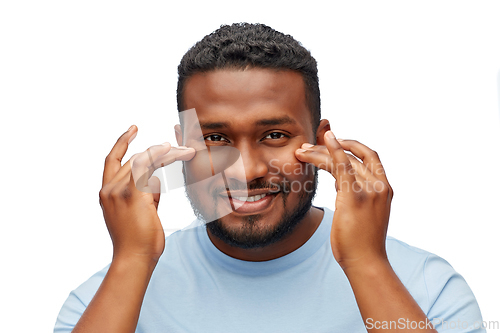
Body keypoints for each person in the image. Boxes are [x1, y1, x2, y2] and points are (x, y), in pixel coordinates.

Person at [54, 23, 485, 332]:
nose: (247, 171)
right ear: (182, 147)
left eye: (274, 135)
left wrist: (366, 263)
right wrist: (131, 260)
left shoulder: (425, 287)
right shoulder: (106, 300)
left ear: (322, 141)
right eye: (215, 138)